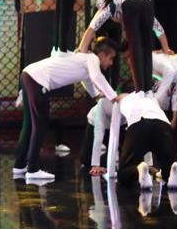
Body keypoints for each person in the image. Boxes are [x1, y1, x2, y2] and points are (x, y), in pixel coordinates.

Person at [14, 37, 119, 183]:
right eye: (111, 58)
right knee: (40, 124)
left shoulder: (85, 60)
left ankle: (19, 165)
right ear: (102, 55)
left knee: (30, 124)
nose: (111, 63)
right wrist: (114, 97)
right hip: (37, 79)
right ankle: (32, 169)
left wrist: (97, 95)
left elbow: (88, 80)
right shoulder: (92, 59)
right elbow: (96, 77)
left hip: (29, 75)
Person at [78, 0, 170, 94]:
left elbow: (158, 29)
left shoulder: (136, 11)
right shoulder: (112, 8)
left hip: (131, 7)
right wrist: (82, 50)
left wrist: (166, 50)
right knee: (106, 54)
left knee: (135, 49)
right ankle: (140, 90)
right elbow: (91, 28)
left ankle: (140, 90)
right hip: (120, 9)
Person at [113, 91, 177, 190]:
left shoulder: (123, 99)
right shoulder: (152, 98)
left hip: (138, 124)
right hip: (162, 125)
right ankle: (170, 174)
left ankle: (139, 169)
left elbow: (115, 130)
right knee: (167, 166)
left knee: (123, 173)